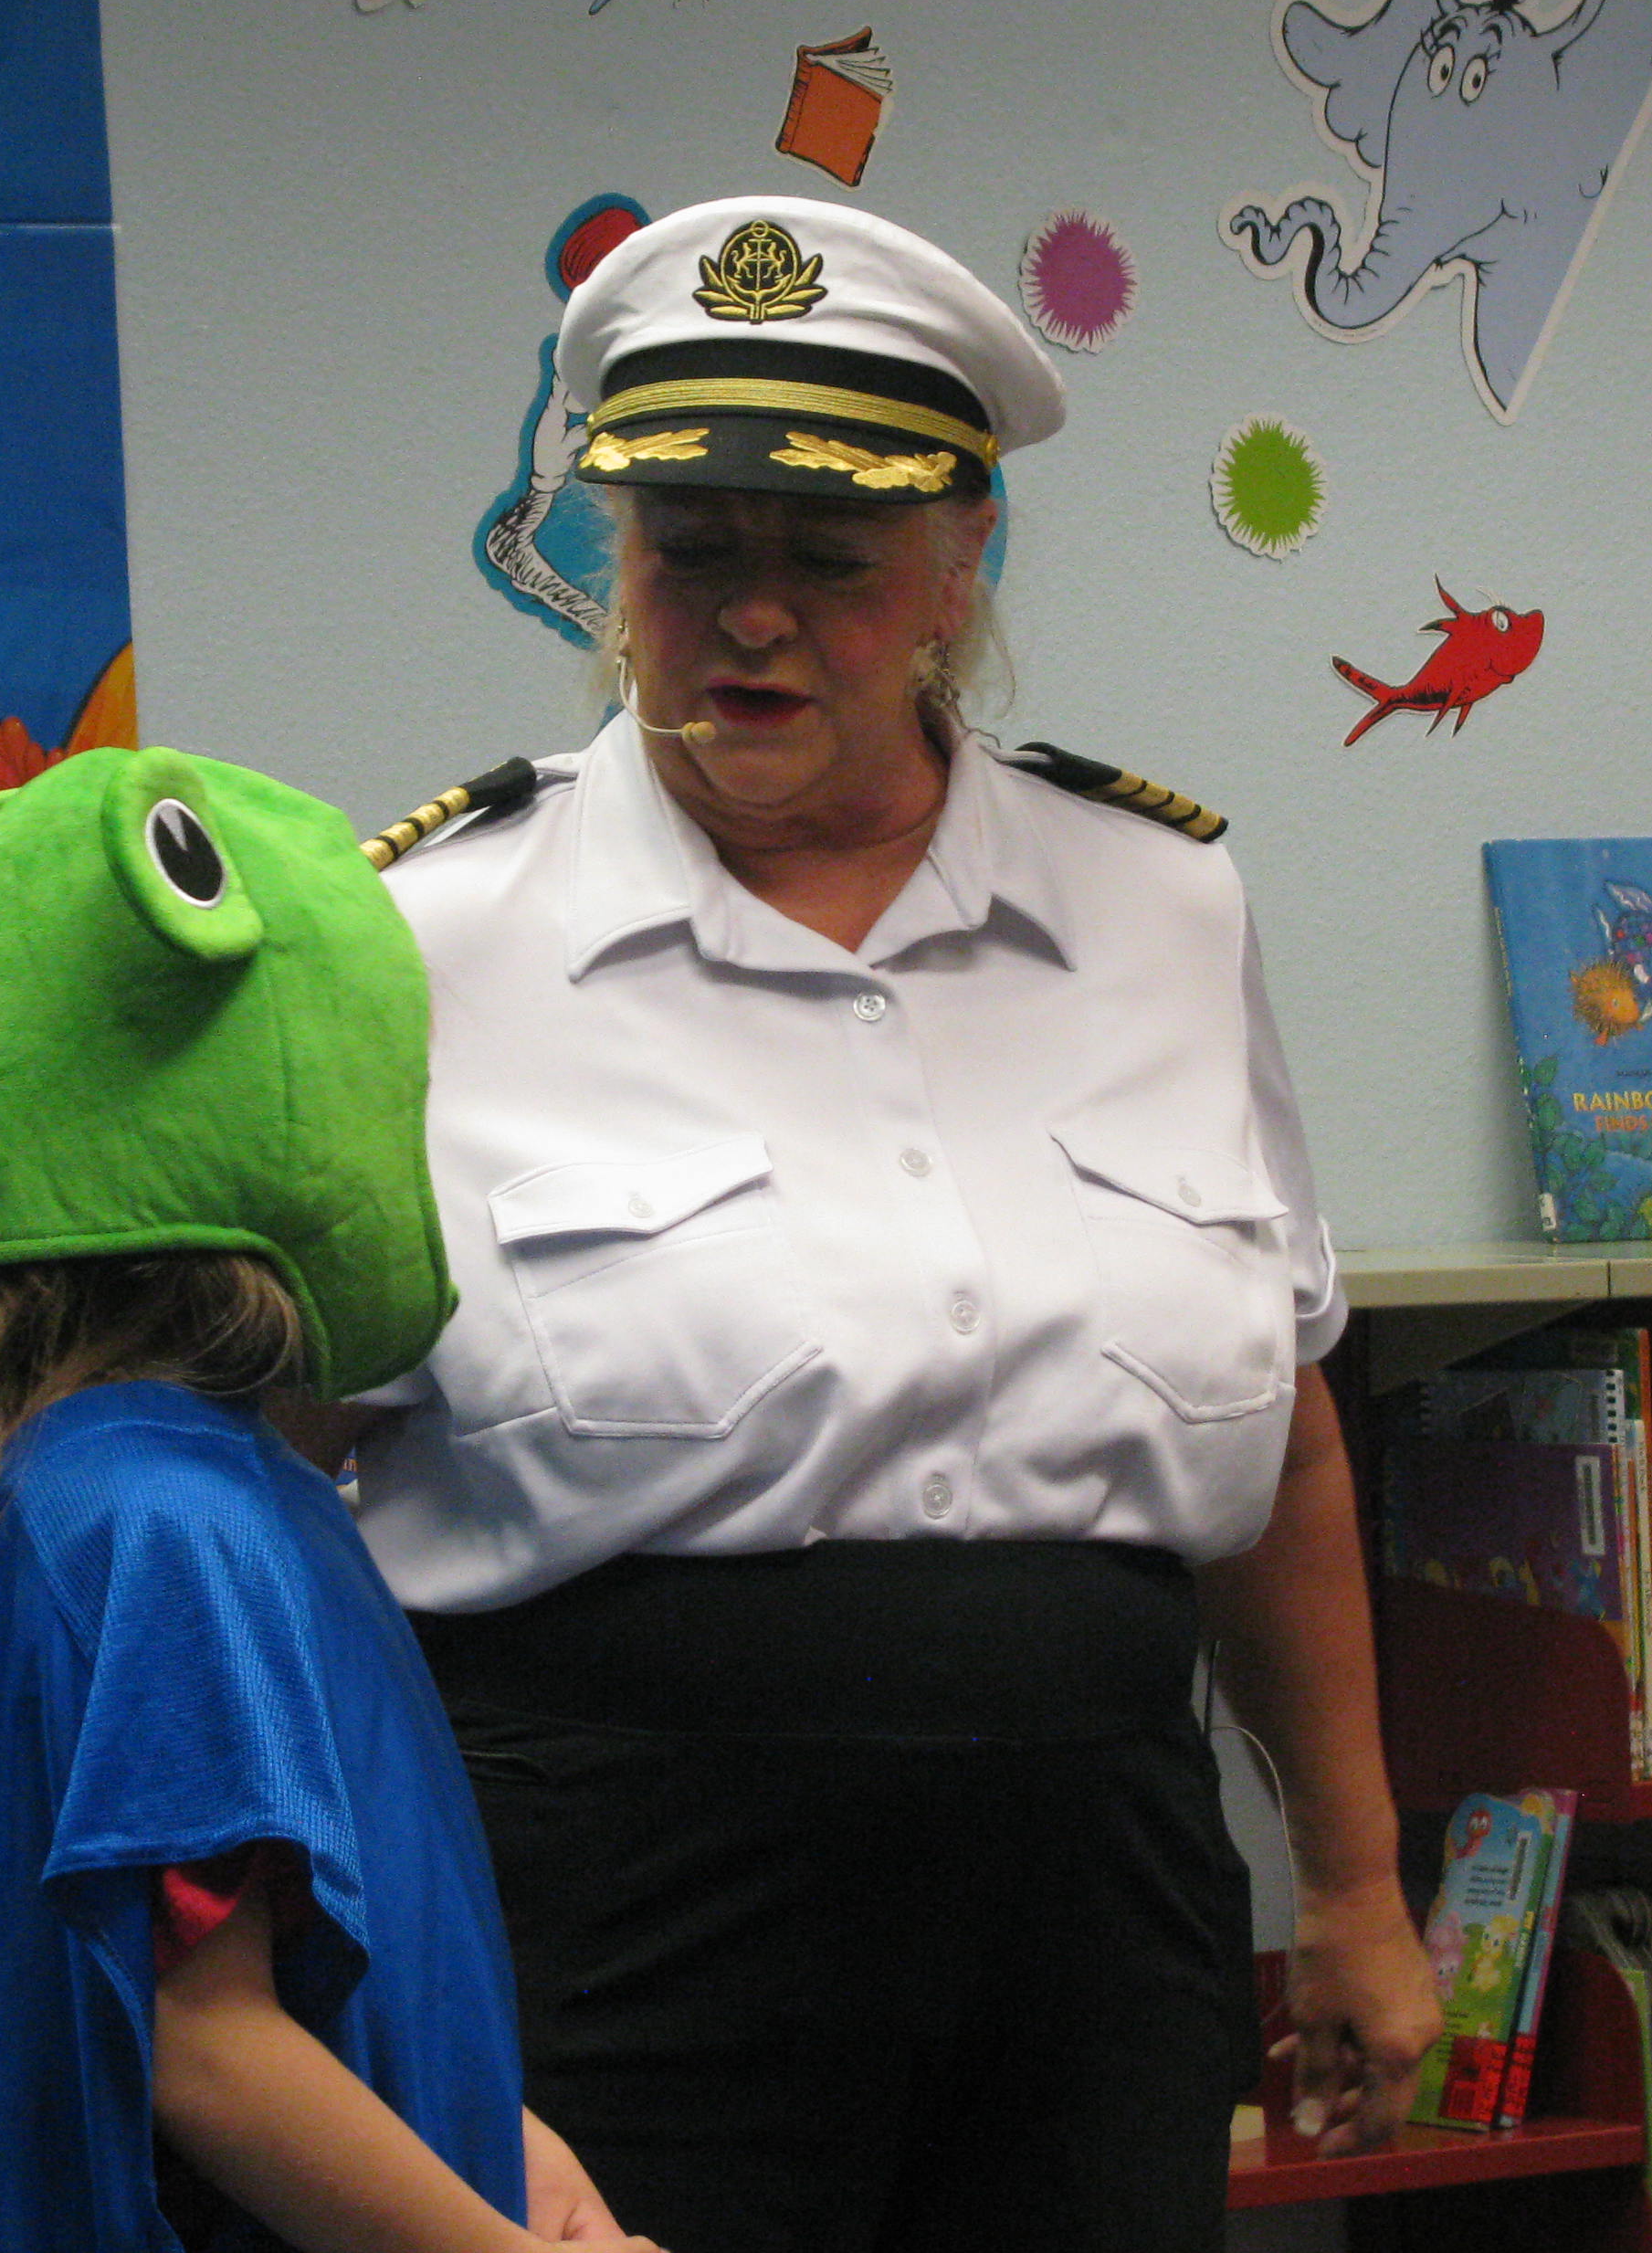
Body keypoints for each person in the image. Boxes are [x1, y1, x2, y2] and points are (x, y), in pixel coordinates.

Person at [327, 197, 1442, 2253]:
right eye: (689, 551)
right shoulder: (422, 941)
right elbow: (277, 1491)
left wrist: (1358, 1888)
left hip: (1095, 1933)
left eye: (830, 558)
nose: (750, 618)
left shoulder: (1161, 907)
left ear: (960, 560)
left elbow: (1280, 1444)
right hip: (610, 1929)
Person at [0, 743, 658, 2253]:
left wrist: (504, 2142)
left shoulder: (135, 1493)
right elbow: (209, 2049)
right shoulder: (167, 1526)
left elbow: (282, 1970)